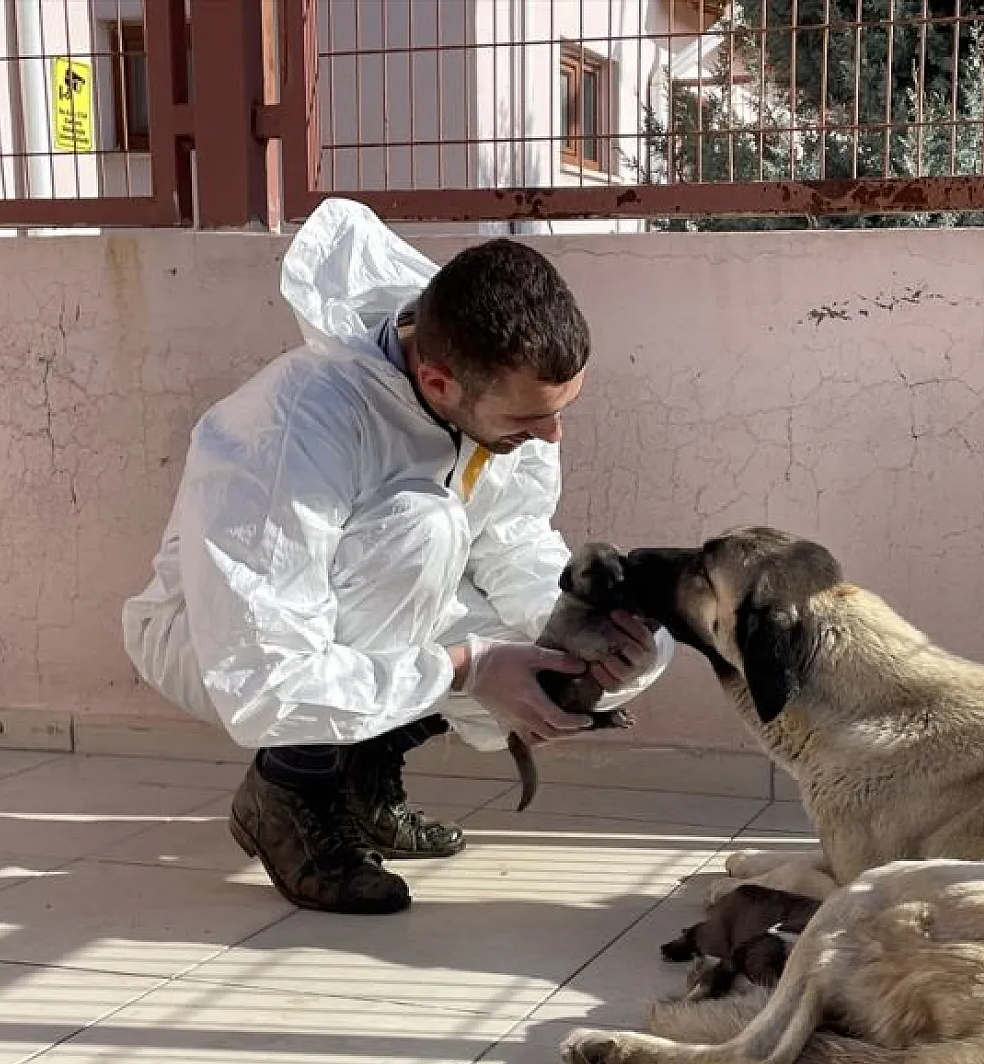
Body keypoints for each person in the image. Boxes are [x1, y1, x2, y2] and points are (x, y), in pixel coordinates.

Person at [121, 198, 674, 916]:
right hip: (217, 643)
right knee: (426, 524)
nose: (553, 435)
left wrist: (590, 636)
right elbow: (264, 676)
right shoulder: (295, 427)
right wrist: (470, 669)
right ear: (440, 380)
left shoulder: (494, 399)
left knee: (598, 621)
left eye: (563, 408)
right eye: (528, 419)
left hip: (361, 621)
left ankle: (363, 774)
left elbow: (515, 544)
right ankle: (293, 787)